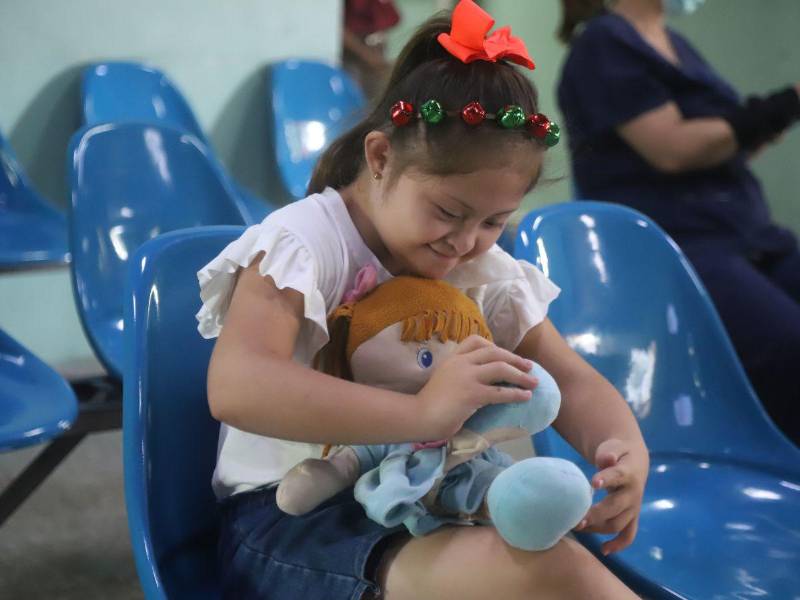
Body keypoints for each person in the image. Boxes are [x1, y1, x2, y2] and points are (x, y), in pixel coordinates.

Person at [199, 1, 648, 598]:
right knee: (549, 574)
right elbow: (238, 386)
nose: (465, 242)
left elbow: (570, 379)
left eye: (494, 221)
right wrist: (420, 415)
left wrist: (621, 448)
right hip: (294, 517)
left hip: (430, 496)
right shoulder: (304, 242)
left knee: (551, 560)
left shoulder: (481, 268)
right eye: (448, 211)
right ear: (381, 157)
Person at [557, 0, 800, 445]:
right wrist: (786, 104)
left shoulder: (675, 44)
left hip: (748, 234)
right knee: (788, 347)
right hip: (677, 247)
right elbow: (673, 149)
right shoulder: (604, 44)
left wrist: (766, 118)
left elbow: (727, 142)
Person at [342, 0, 401, 99]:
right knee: (352, 95)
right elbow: (337, 27)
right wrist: (367, 55)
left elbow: (386, 18)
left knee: (378, 94)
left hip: (372, 50)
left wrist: (377, 40)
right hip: (351, 54)